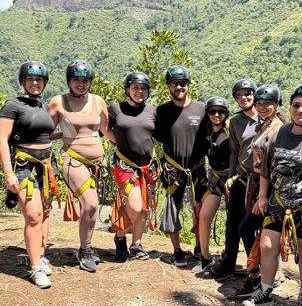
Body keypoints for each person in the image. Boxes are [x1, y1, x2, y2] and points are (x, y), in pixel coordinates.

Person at [244, 83, 302, 306]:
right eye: (296, 105)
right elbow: (267, 168)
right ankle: (266, 290)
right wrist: (263, 197)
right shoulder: (280, 133)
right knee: (267, 246)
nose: (301, 110)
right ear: (290, 107)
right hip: (278, 203)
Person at [47, 60, 114, 273]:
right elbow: (46, 132)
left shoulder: (98, 102)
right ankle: (85, 250)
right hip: (73, 159)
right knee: (91, 203)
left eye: (85, 80)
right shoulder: (58, 103)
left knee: (91, 206)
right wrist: (65, 135)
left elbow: (104, 129)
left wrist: (123, 145)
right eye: (76, 79)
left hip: (96, 164)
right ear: (68, 81)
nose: (80, 84)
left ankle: (87, 246)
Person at [0, 61, 57, 288]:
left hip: (45, 167)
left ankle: (41, 257)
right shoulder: (11, 106)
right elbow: (2, 140)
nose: (35, 83)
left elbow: (44, 136)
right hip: (22, 166)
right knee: (33, 215)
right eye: (31, 79)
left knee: (44, 212)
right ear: (23, 81)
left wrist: (74, 134)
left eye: (39, 80)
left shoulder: (41, 107)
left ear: (44, 83)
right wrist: (7, 173)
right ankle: (35, 269)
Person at [237, 84, 287, 297]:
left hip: (271, 190)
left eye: (268, 103)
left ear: (277, 105)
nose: (263, 107)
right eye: (259, 103)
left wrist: (264, 195)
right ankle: (259, 275)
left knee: (249, 229)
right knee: (257, 232)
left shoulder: (278, 129)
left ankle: (259, 276)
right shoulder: (265, 124)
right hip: (259, 187)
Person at [155, 65, 208, 267]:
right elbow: (157, 136)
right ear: (169, 86)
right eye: (175, 83)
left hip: (198, 166)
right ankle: (177, 249)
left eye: (183, 83)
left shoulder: (201, 109)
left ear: (188, 85)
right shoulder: (162, 111)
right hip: (173, 168)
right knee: (174, 207)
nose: (179, 87)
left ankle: (198, 245)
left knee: (200, 207)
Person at [211, 78, 259, 276]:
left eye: (248, 93)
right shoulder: (235, 122)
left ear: (255, 95)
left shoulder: (268, 119)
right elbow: (234, 152)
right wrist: (230, 177)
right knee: (233, 220)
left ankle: (260, 267)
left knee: (259, 224)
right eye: (239, 95)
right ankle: (229, 261)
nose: (244, 97)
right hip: (241, 176)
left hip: (261, 179)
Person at [108, 72, 158, 261]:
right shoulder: (115, 109)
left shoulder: (152, 111)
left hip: (147, 167)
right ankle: (120, 237)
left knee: (144, 208)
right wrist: (116, 140)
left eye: (143, 88)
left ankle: (136, 243)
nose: (139, 91)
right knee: (135, 207)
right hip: (125, 165)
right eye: (135, 87)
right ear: (127, 89)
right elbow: (102, 126)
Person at [191, 96, 230, 274]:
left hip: (231, 178)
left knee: (233, 220)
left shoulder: (231, 132)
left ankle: (230, 257)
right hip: (215, 177)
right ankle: (205, 258)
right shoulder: (206, 131)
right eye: (212, 111)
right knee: (205, 216)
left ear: (226, 113)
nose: (216, 115)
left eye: (220, 112)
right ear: (207, 113)